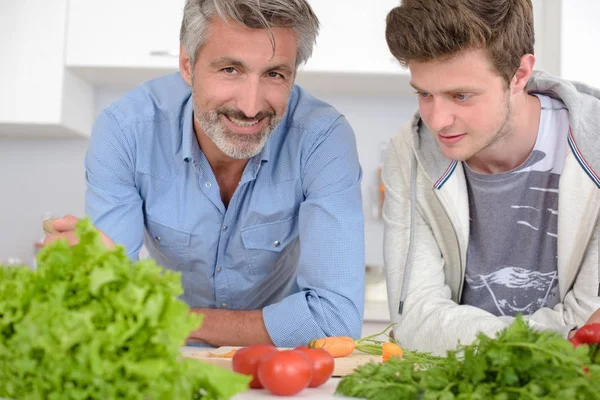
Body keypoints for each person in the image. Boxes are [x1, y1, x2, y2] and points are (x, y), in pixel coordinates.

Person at [44, 0, 365, 348]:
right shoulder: (125, 131)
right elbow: (109, 301)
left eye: (274, 74)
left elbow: (336, 319)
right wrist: (90, 269)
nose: (250, 106)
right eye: (230, 69)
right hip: (166, 355)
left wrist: (179, 320)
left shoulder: (322, 138)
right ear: (187, 64)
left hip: (279, 362)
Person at [382, 0, 600, 355]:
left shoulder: (595, 148)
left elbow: (589, 327)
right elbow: (415, 319)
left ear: (519, 73)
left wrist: (448, 334)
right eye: (424, 93)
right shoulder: (409, 152)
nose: (437, 121)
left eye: (461, 96)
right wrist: (559, 336)